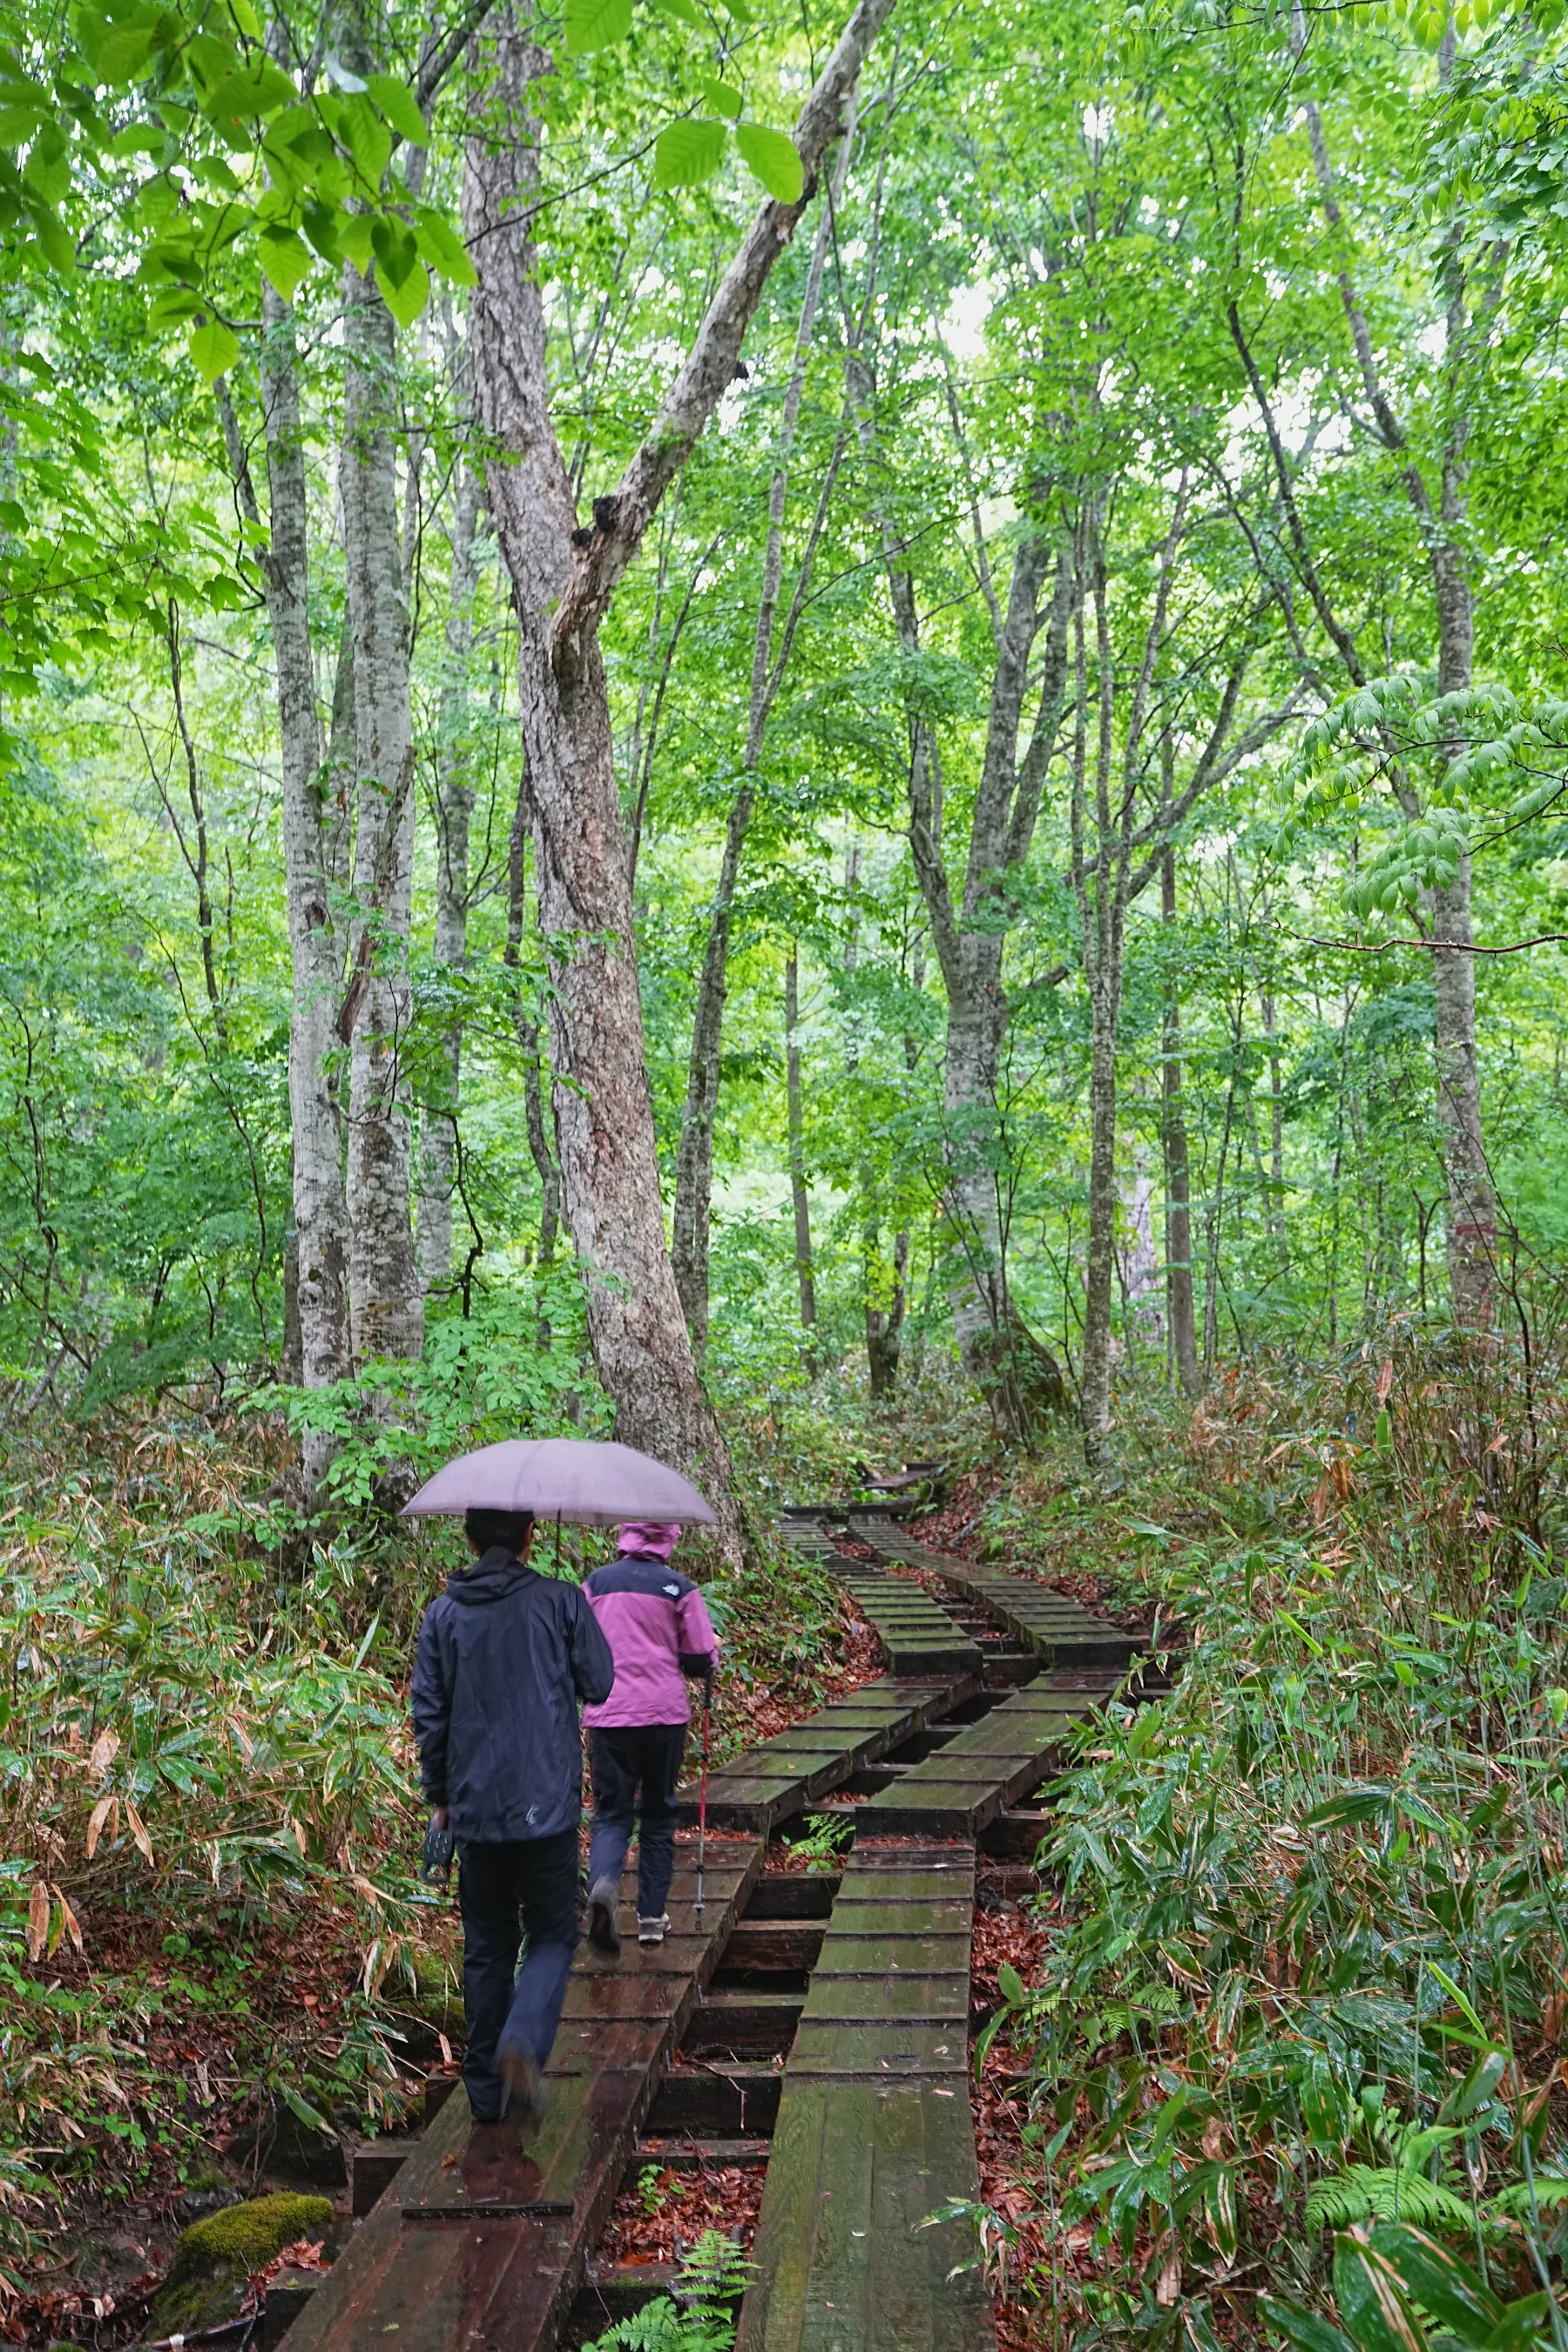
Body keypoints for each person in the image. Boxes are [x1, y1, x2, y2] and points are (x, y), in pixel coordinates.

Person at [412, 1505, 614, 2130]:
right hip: (546, 1806)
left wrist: (441, 1799)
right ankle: (523, 2039)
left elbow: (431, 1718)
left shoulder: (442, 1616)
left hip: (474, 1810)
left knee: (487, 1946)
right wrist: (568, 1623)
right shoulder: (558, 1601)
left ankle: (483, 2097)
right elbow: (601, 1683)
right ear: (530, 1537)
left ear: (469, 1539)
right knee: (553, 1934)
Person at [581, 1521, 720, 1953]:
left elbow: (579, 1646)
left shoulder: (596, 1584)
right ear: (667, 1538)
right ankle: (651, 1920)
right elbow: (698, 1660)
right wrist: (710, 1646)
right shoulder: (679, 1588)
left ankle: (603, 1884)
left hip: (608, 1714)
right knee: (658, 1814)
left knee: (611, 1813)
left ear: (624, 1535)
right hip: (663, 1716)